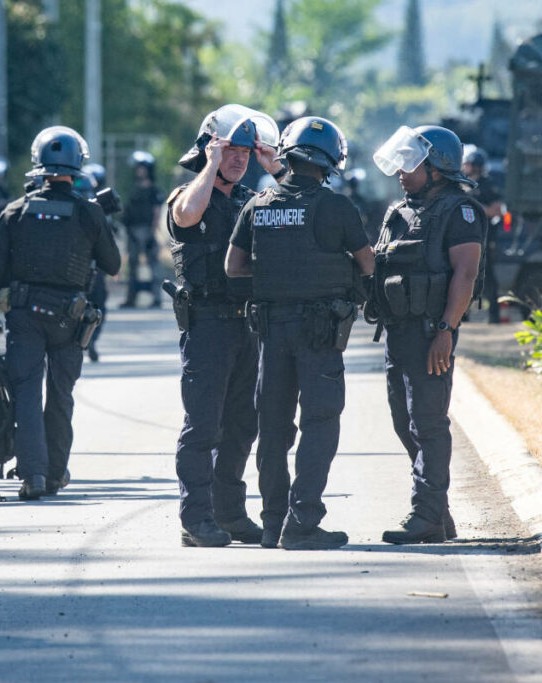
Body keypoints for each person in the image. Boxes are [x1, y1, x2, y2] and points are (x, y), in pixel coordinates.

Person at [226, 116, 374, 550]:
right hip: (320, 332)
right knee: (320, 423)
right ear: (330, 163)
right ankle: (303, 521)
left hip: (271, 331)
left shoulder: (258, 204)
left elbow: (234, 267)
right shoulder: (337, 207)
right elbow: (368, 265)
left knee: (272, 427)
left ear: (287, 154)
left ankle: (272, 523)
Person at [0, 126, 121, 500]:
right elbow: (113, 265)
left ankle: (34, 476)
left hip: (25, 315)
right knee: (61, 395)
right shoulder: (88, 212)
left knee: (25, 391)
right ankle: (56, 474)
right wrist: (101, 224)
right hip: (69, 319)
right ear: (77, 168)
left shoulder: (14, 211)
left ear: (38, 166)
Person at [167, 104, 283, 547]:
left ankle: (229, 514)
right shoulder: (185, 194)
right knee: (203, 426)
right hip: (207, 326)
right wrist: (210, 163)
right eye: (230, 150)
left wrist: (276, 169)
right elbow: (187, 217)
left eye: (244, 153)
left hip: (246, 326)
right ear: (209, 149)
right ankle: (195, 518)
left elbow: (292, 209)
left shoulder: (248, 199)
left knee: (241, 425)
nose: (239, 159)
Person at [370, 125, 485, 543]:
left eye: (411, 161)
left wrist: (445, 330)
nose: (401, 170)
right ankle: (438, 513)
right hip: (398, 335)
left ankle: (425, 515)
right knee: (405, 423)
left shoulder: (460, 211)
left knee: (427, 423)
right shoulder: (399, 211)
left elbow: (466, 273)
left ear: (438, 166)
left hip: (430, 334)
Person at [461, 145, 504, 323]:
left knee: (487, 278)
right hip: (462, 238)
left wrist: (476, 208)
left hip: (484, 238)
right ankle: (463, 314)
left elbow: (497, 210)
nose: (467, 168)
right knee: (462, 276)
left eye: (470, 164)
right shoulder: (460, 184)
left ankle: (494, 316)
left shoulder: (487, 185)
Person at [78, 163, 114, 363]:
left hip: (77, 270)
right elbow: (112, 260)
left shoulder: (97, 211)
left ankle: (87, 340)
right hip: (91, 269)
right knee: (98, 306)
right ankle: (88, 339)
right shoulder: (95, 211)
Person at [121, 150, 164, 308]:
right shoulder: (133, 189)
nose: (139, 171)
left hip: (147, 231)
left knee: (153, 266)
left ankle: (156, 298)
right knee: (132, 266)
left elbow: (156, 212)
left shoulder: (154, 190)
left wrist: (153, 232)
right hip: (132, 231)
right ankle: (131, 298)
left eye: (142, 168)